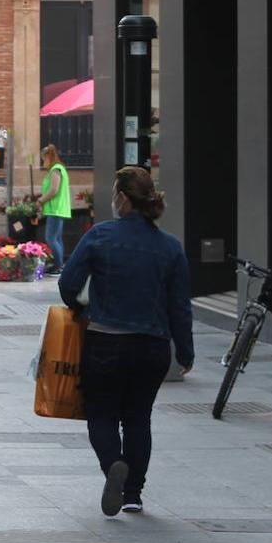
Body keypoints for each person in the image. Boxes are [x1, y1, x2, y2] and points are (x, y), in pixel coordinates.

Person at [58, 166, 194, 517]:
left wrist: (80, 308)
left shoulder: (100, 236)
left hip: (105, 343)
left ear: (122, 198)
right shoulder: (170, 247)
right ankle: (133, 494)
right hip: (152, 348)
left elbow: (68, 284)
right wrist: (186, 351)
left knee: (100, 414)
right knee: (138, 419)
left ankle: (113, 467)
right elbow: (180, 306)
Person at [35, 144, 71, 274]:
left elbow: (53, 190)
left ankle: (59, 266)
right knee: (57, 239)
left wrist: (41, 200)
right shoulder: (59, 168)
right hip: (58, 209)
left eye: (43, 158)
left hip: (55, 209)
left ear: (48, 157)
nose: (43, 162)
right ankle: (59, 264)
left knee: (51, 238)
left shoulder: (56, 169)